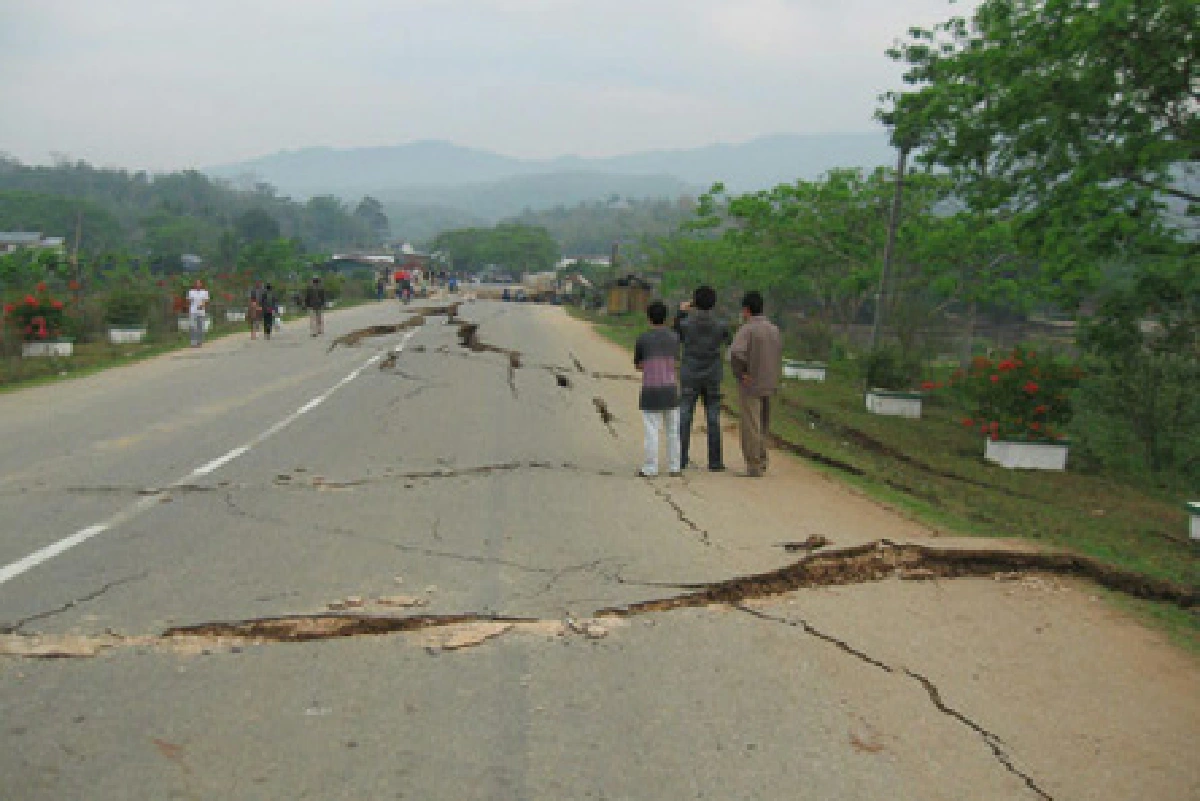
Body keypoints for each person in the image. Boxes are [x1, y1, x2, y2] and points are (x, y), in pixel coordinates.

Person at [673, 285, 729, 471]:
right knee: (713, 416)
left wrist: (682, 311)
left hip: (690, 373)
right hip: (712, 374)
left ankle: (680, 458)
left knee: (685, 414)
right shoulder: (721, 325)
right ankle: (715, 461)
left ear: (695, 302)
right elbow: (728, 341)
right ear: (714, 303)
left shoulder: (686, 323)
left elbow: (675, 334)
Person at [729, 291, 782, 477]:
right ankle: (762, 458)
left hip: (751, 383)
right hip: (769, 382)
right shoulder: (774, 330)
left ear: (746, 310)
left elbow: (736, 352)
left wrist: (740, 372)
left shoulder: (747, 329)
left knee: (751, 424)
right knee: (763, 424)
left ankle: (753, 464)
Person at [634, 300, 682, 478]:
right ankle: (674, 466)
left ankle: (650, 467)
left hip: (650, 390)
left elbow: (639, 365)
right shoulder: (674, 338)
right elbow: (676, 361)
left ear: (649, 318)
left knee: (651, 431)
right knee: (672, 431)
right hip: (670, 390)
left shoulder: (643, 339)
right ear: (666, 318)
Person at [186, 279, 209, 348]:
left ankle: (199, 342)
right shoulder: (191, 292)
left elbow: (205, 300)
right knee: (192, 326)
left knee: (200, 327)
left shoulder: (204, 292)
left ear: (201, 284)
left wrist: (202, 305)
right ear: (194, 285)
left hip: (201, 311)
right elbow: (188, 300)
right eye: (196, 283)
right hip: (193, 311)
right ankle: (193, 342)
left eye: (199, 283)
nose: (197, 285)